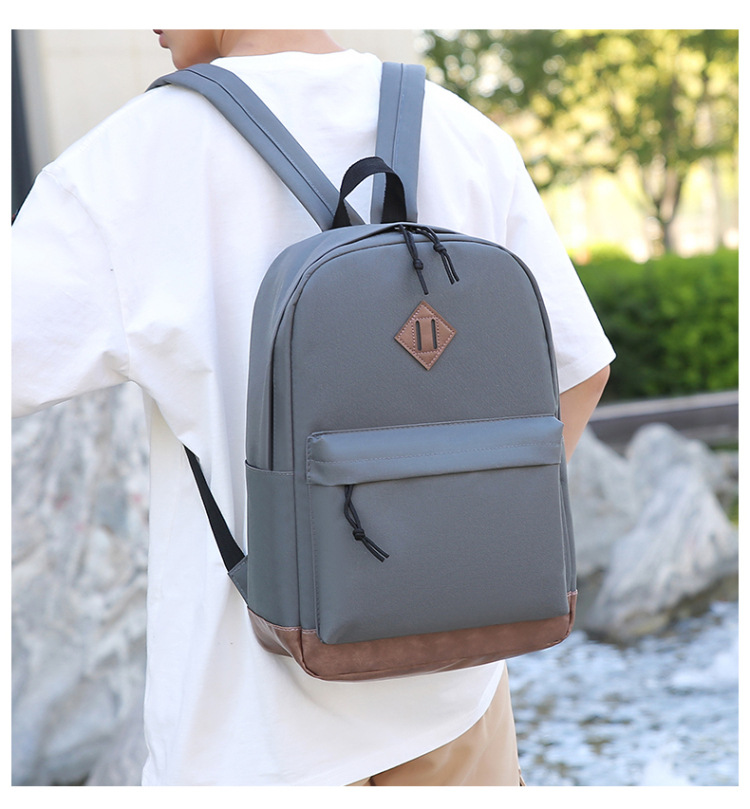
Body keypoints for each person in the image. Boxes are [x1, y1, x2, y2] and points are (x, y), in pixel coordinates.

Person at [12, 29, 613, 786]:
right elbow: (579, 371)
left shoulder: (128, 161)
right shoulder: (459, 130)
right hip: (455, 703)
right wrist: (446, 551)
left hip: (252, 736)